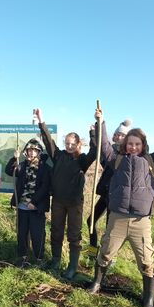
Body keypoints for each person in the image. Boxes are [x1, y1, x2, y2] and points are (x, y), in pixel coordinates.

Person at [88, 109, 154, 307]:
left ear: (143, 145)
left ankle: (148, 299)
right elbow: (104, 145)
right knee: (105, 252)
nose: (133, 147)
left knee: (146, 260)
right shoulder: (116, 159)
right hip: (118, 218)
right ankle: (96, 284)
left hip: (141, 221)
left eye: (137, 144)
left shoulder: (152, 161)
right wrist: (100, 122)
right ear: (125, 145)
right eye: (130, 144)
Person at [35, 108, 96, 280]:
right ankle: (55, 260)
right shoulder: (58, 155)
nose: (69, 146)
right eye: (67, 143)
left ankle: (72, 266)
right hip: (58, 201)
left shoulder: (82, 160)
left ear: (78, 144)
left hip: (74, 203)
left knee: (74, 234)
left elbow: (95, 150)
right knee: (56, 231)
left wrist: (93, 132)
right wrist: (41, 120)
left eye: (72, 143)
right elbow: (48, 140)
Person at [4, 138, 51, 267]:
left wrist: (34, 202)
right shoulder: (22, 165)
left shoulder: (44, 168)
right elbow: (9, 171)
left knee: (38, 233)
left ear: (39, 152)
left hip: (36, 208)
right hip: (22, 207)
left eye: (34, 150)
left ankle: (39, 258)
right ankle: (22, 257)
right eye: (29, 150)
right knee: (22, 233)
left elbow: (45, 187)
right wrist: (14, 159)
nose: (31, 153)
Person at [86, 118, 132, 250]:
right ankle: (93, 248)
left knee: (110, 229)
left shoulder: (127, 156)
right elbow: (98, 150)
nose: (118, 137)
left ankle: (109, 257)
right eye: (117, 134)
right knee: (90, 221)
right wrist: (93, 134)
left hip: (116, 198)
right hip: (106, 194)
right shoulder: (110, 151)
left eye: (122, 135)